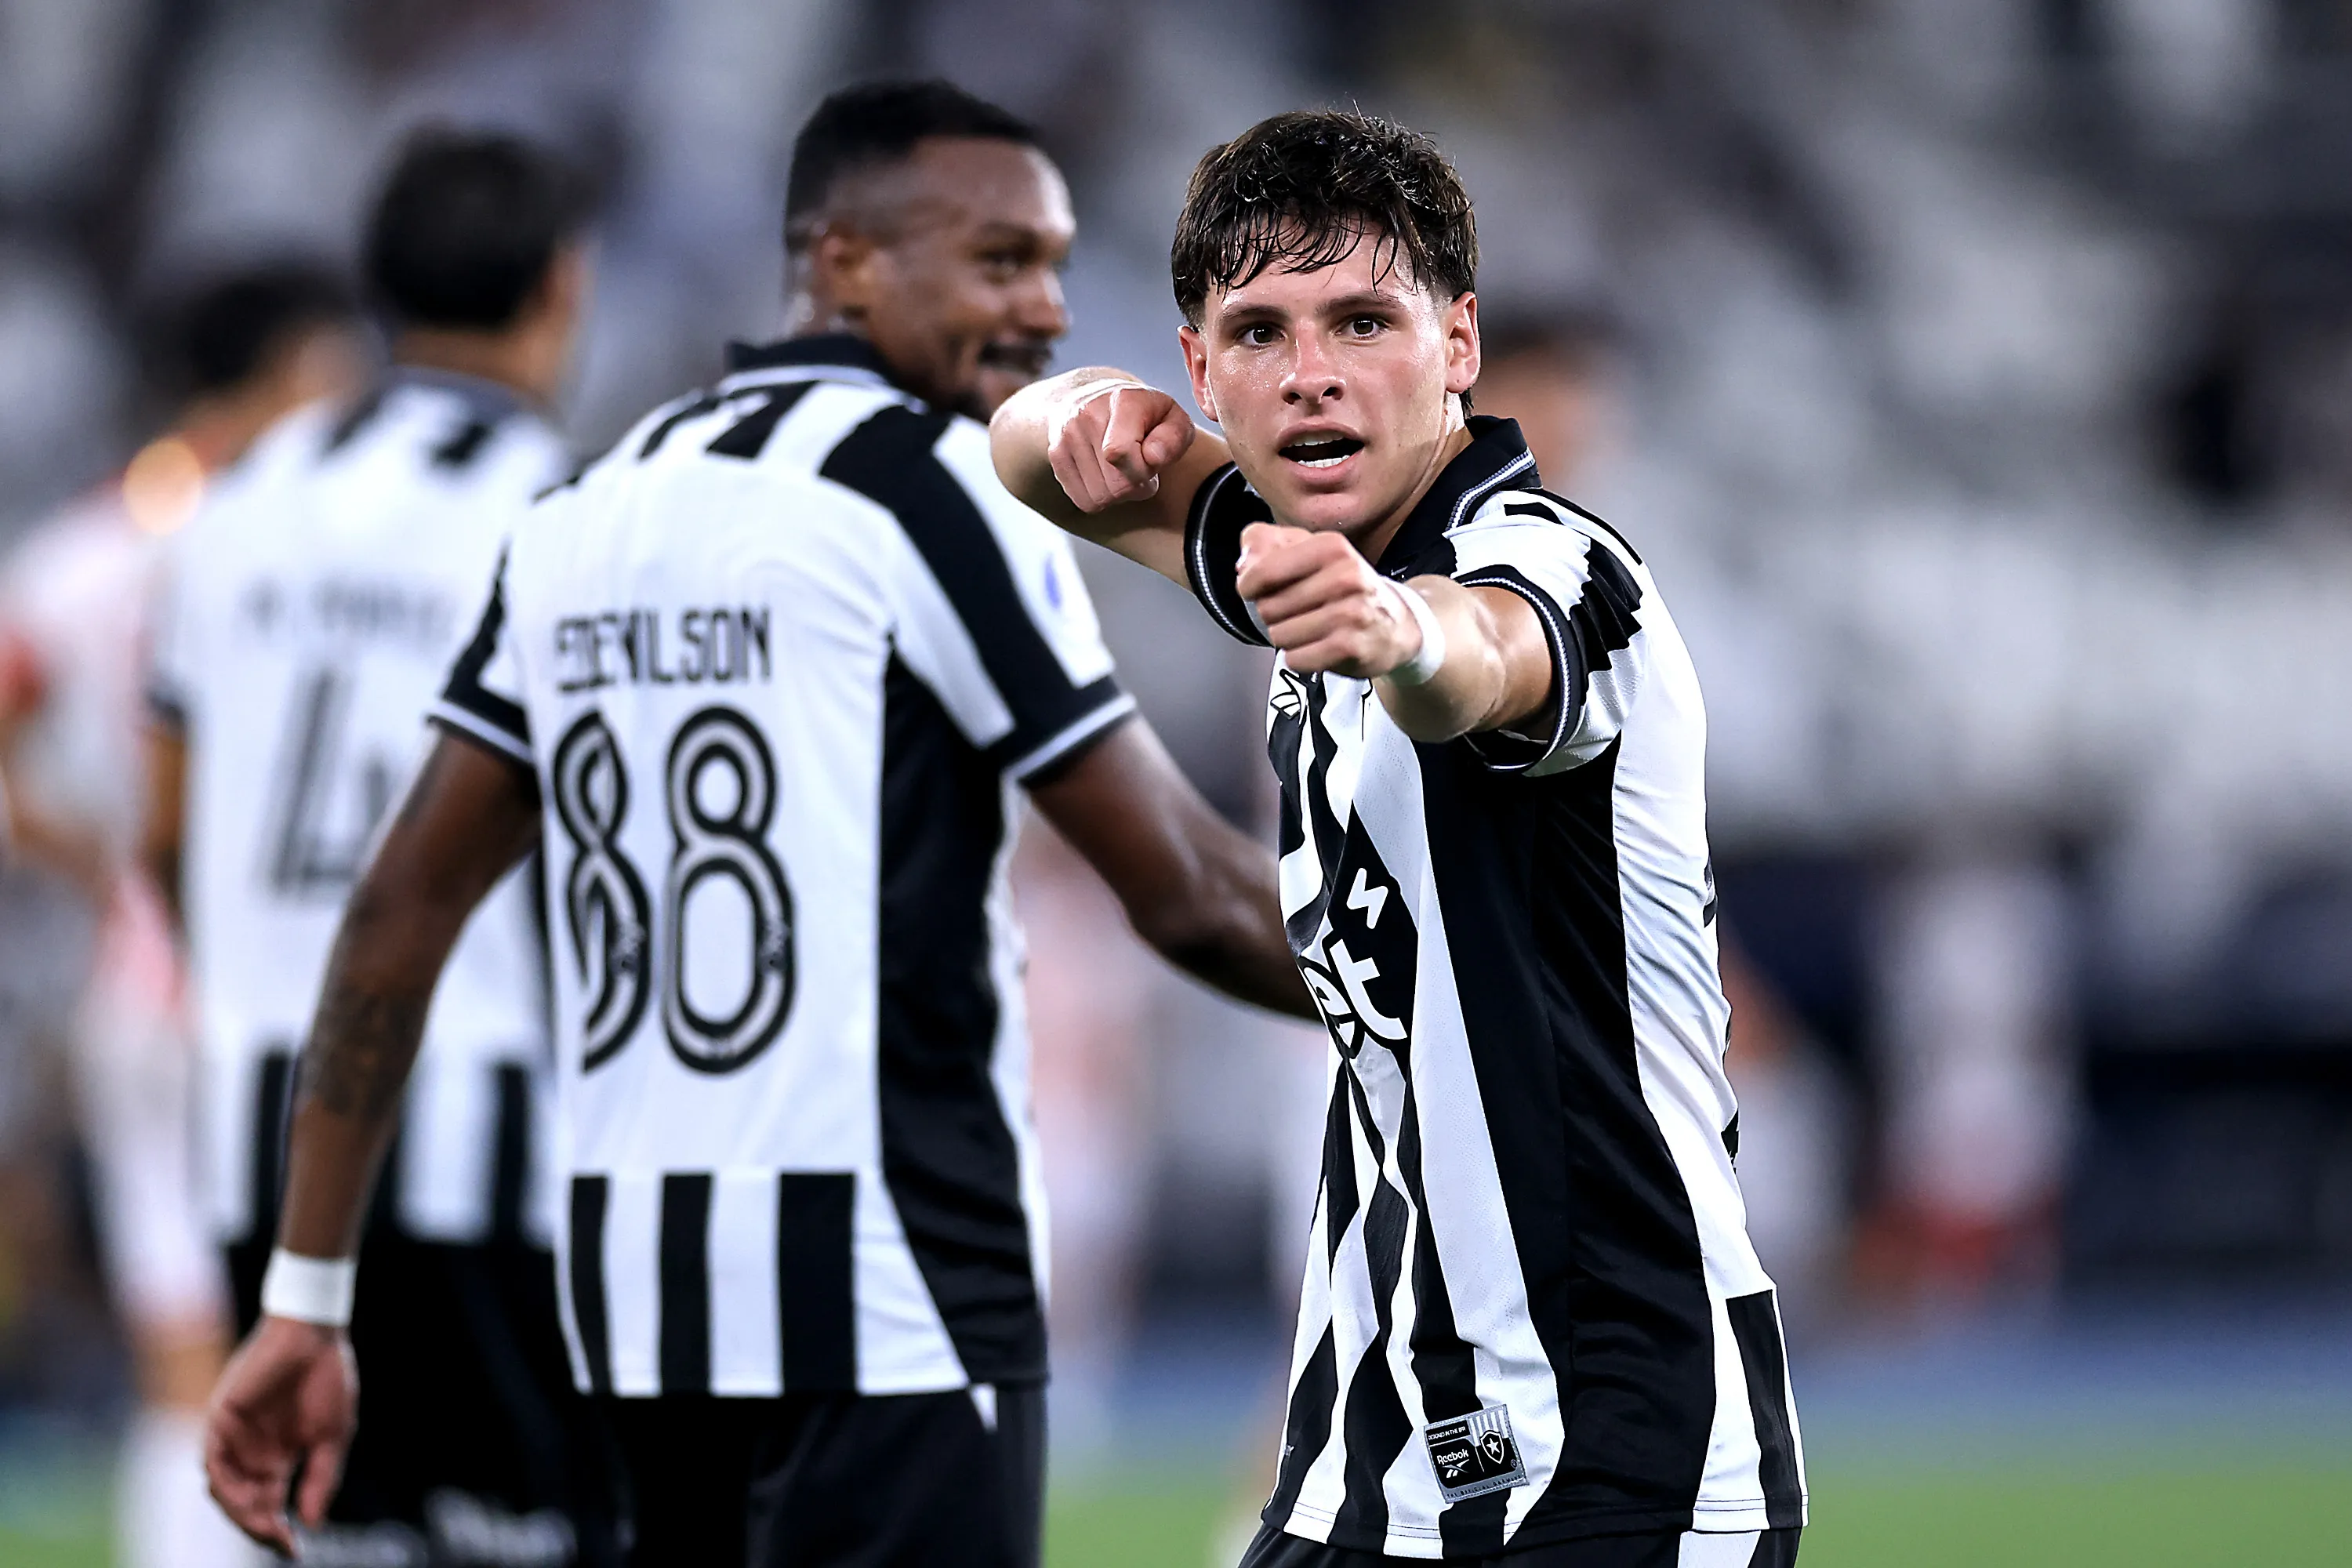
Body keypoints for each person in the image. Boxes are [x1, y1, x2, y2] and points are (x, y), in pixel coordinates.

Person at [202, 79, 1309, 1568]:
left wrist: (307, 1296)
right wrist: (1484, 978)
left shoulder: (585, 507)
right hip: (895, 1301)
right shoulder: (938, 496)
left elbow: (396, 914)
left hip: (632, 1329)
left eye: (1051, 261)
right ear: (843, 258)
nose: (1046, 309)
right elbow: (1182, 890)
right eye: (997, 260)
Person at [992, 110, 1807, 1567]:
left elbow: (1482, 656)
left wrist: (1396, 632)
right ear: (1203, 368)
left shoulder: (1556, 563)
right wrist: (1082, 417)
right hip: (1375, 1446)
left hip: (1621, 1446)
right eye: (1258, 333)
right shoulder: (1288, 541)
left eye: (1364, 320)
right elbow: (1028, 457)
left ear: (1459, 346)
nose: (1310, 373)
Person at [151, 129, 612, 1566]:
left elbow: (166, 820)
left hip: (262, 1123)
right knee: (531, 1539)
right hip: (492, 1114)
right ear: (562, 287)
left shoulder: (233, 501)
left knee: (336, 1538)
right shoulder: (573, 510)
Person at [0, 262, 365, 1568]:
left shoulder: (88, 548)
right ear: (270, 381)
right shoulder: (312, 538)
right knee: (318, 1320)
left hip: (140, 981)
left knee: (180, 1345)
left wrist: (80, 854)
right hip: (297, 989)